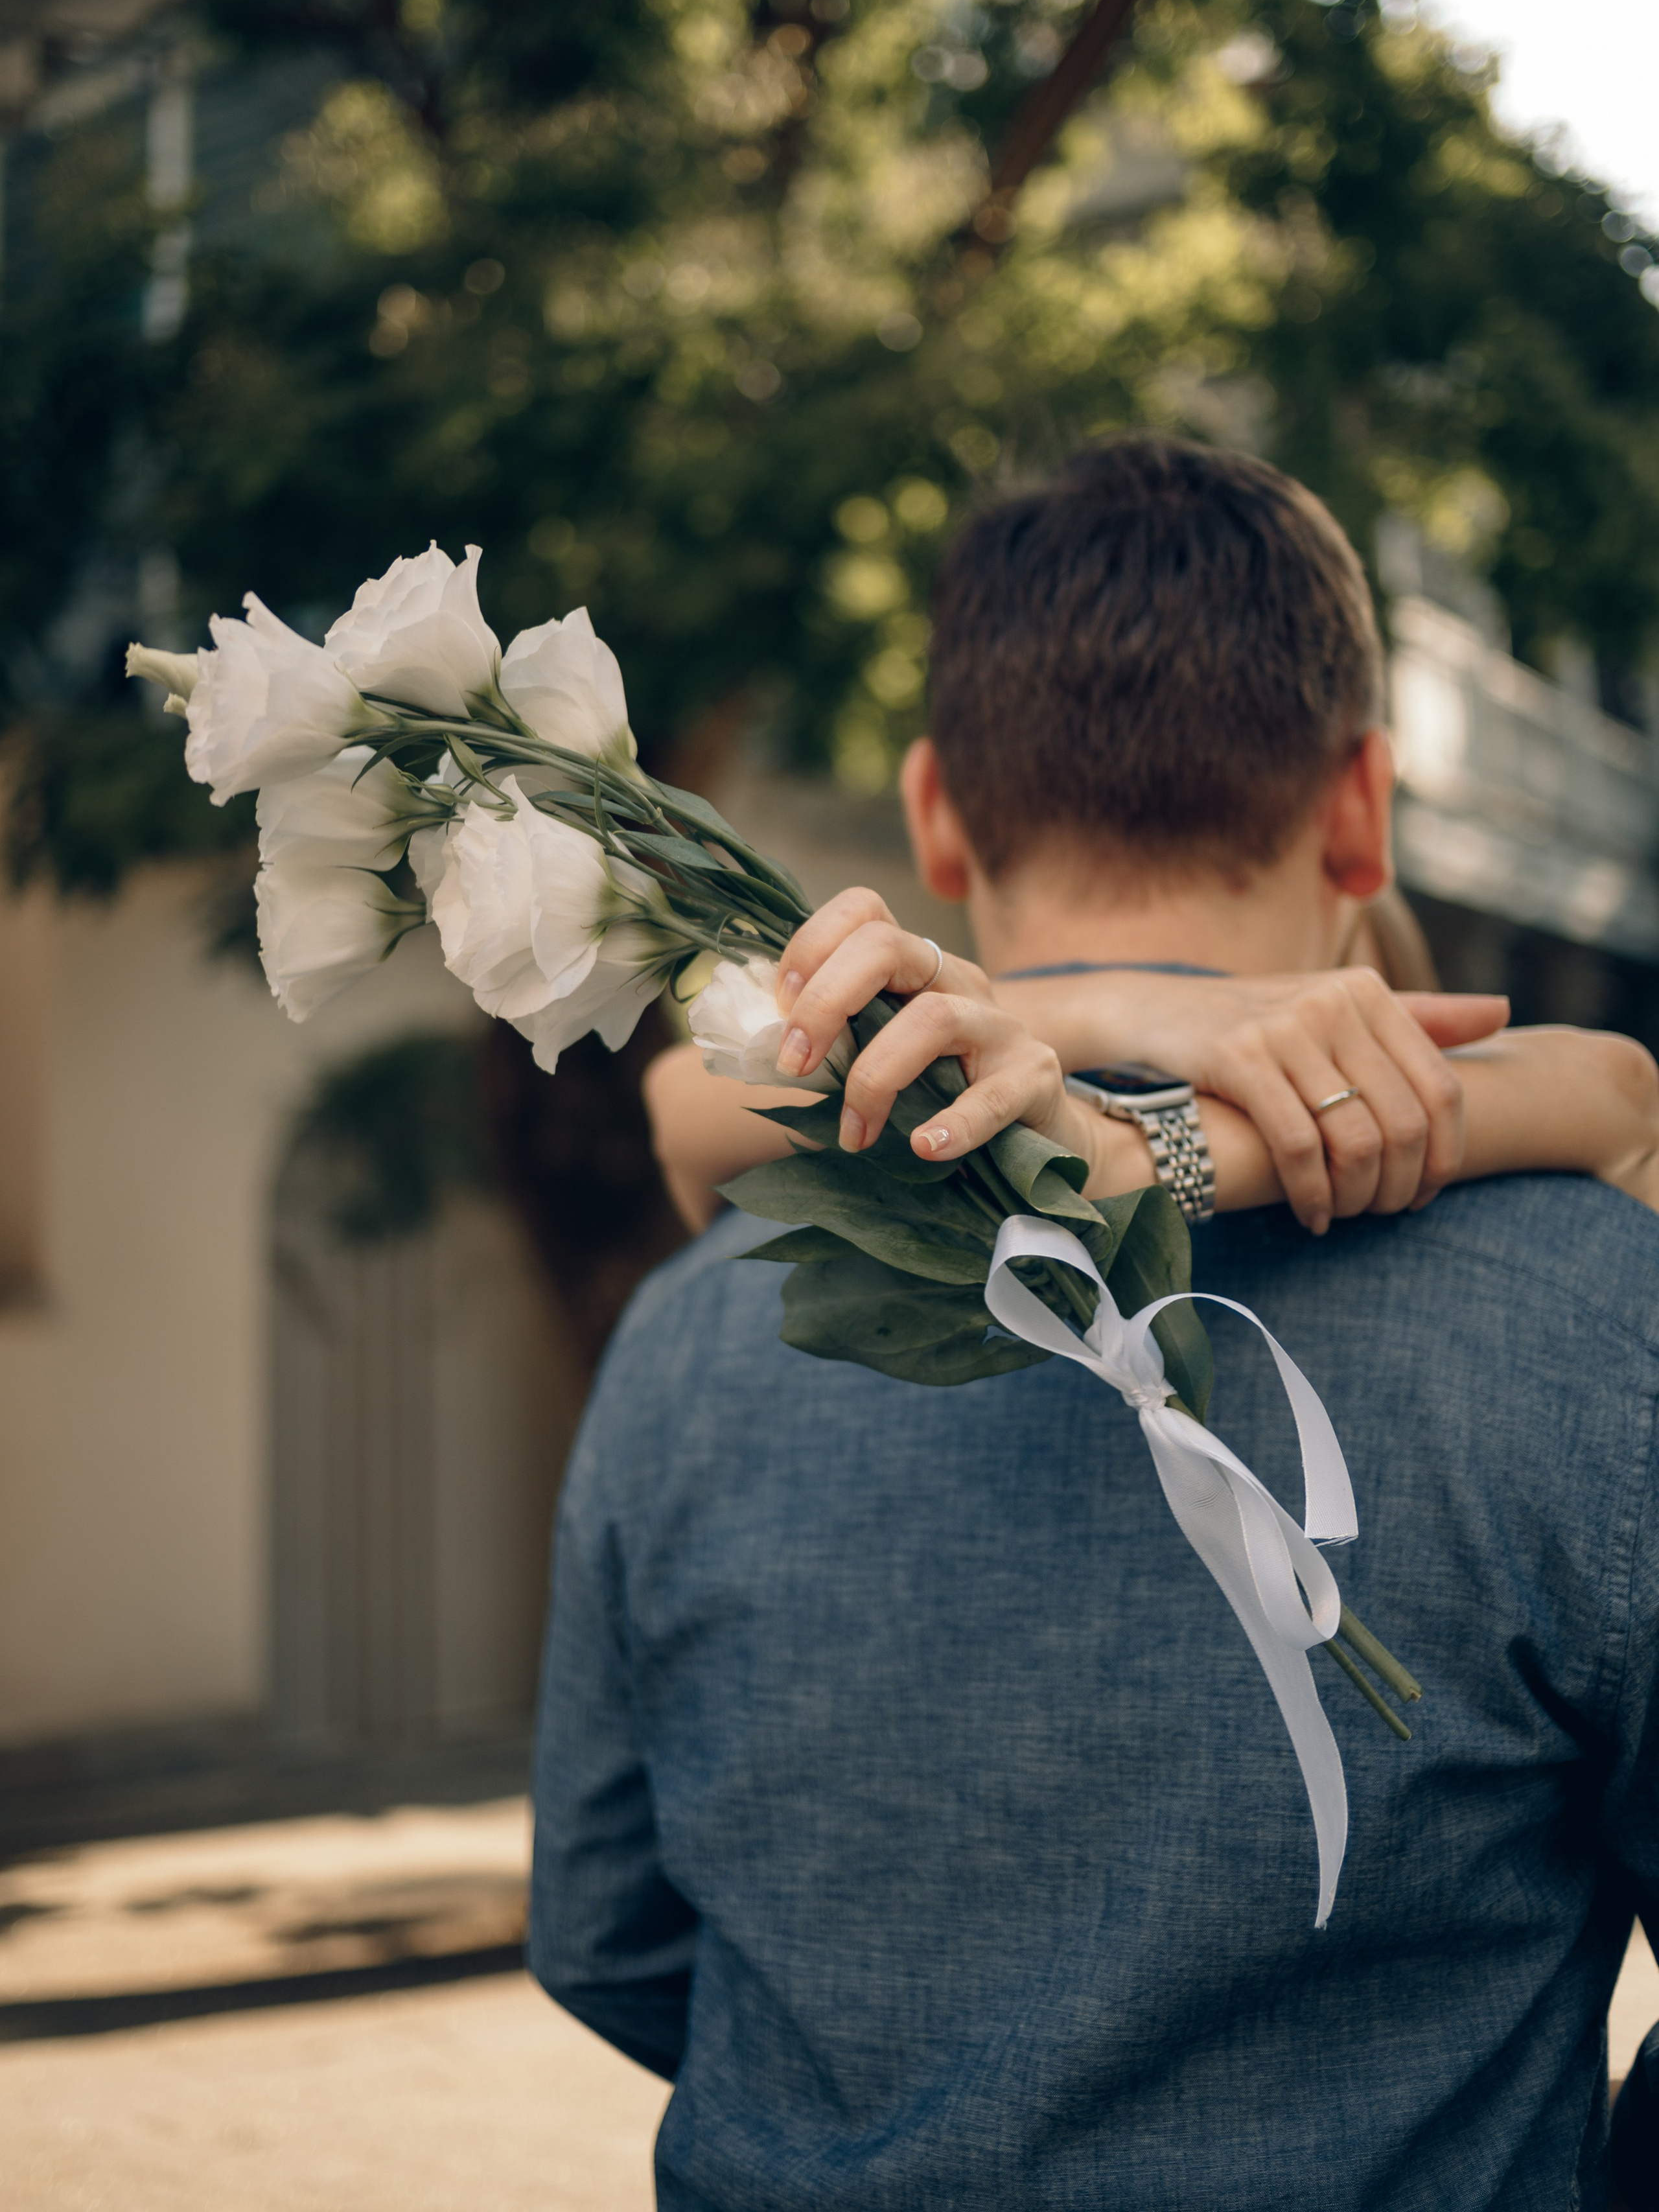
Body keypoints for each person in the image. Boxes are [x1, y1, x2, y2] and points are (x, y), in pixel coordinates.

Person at [531, 437, 1658, 2212]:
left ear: (935, 816)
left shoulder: (682, 1345)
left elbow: (606, 1934)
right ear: (1364, 803)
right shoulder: (1606, 1317)